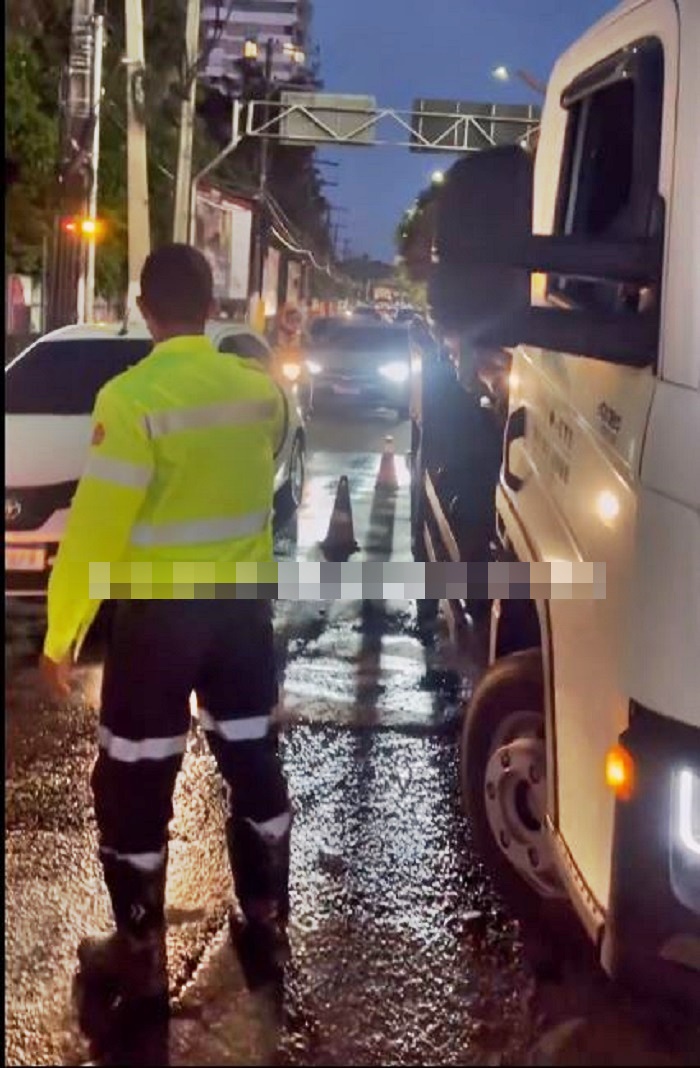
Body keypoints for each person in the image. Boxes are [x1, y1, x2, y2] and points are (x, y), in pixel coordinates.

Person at [40, 244, 292, 1005]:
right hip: (244, 616)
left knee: (136, 773)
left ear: (145, 310)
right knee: (252, 758)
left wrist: (63, 634)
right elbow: (270, 463)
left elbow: (95, 529)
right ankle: (265, 915)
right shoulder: (261, 393)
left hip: (159, 623)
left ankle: (139, 943)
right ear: (211, 308)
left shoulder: (132, 398)